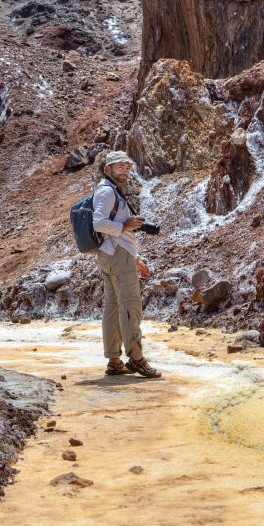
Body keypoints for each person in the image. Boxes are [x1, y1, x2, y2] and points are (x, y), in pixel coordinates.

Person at [92, 151, 162, 378]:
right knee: (130, 304)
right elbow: (99, 223)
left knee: (112, 308)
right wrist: (126, 225)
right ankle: (137, 358)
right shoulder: (106, 191)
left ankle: (114, 360)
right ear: (108, 169)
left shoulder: (111, 191)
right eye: (119, 166)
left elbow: (115, 232)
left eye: (127, 167)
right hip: (117, 256)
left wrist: (135, 257)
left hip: (113, 255)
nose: (124, 170)